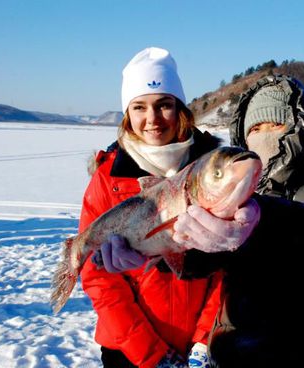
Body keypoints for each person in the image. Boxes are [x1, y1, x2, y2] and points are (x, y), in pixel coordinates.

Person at [99, 75, 304, 367]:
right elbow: (204, 260)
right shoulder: (238, 195)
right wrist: (156, 249)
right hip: (238, 355)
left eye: (277, 125)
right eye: (255, 128)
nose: (265, 135)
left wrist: (260, 219)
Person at [79, 47, 222, 368]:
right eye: (139, 107)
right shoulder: (109, 177)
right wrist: (152, 355)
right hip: (129, 351)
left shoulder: (211, 172)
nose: (153, 119)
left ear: (181, 109)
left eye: (164, 105)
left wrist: (203, 341)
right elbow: (99, 278)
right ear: (128, 115)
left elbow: (226, 266)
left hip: (204, 347)